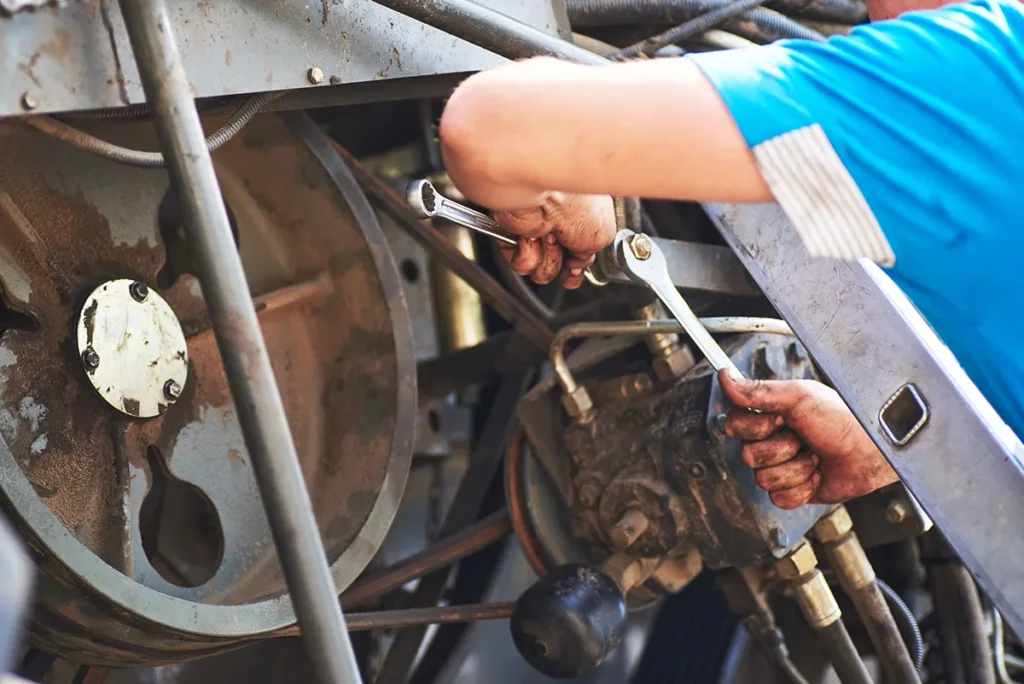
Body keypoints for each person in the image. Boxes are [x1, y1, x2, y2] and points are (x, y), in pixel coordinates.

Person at [436, 0, 1024, 510]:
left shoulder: (972, 75)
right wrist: (900, 450)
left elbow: (487, 130)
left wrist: (570, 177)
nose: (873, 20)